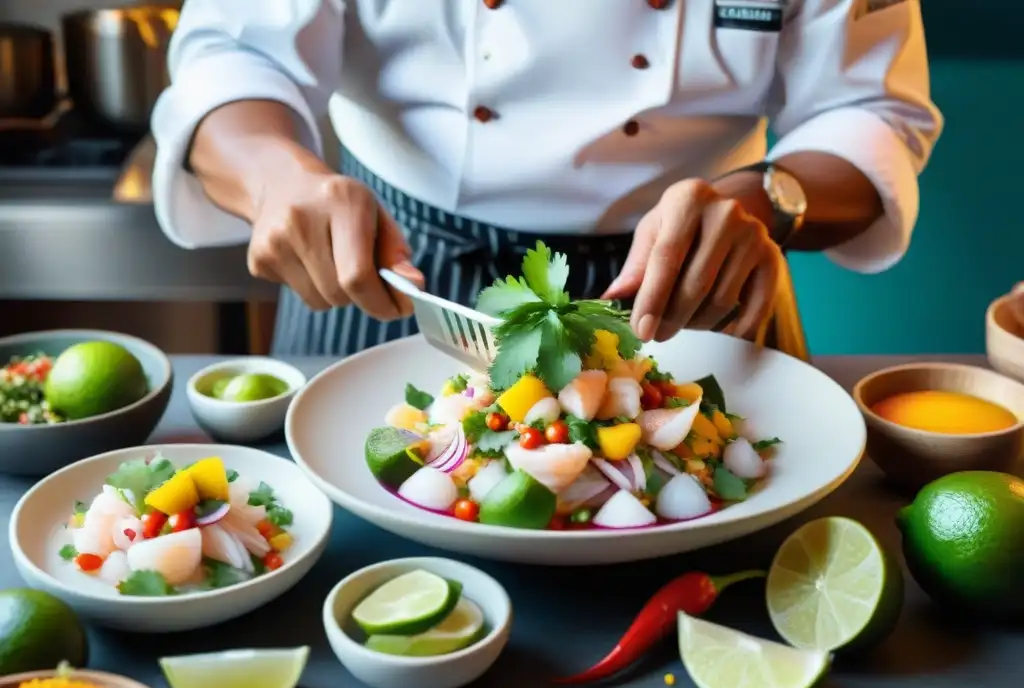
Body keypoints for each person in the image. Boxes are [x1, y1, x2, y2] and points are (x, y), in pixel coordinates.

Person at [151, 0, 943, 357]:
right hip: (397, 280)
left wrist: (767, 201)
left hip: (692, 290)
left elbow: (872, 111)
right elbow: (233, 56)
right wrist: (277, 181)